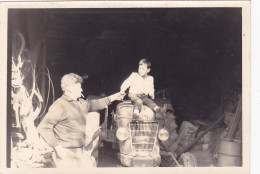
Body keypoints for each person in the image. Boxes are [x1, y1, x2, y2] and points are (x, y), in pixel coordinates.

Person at [37, 73, 123, 168]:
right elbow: (44, 127)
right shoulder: (59, 105)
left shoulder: (80, 103)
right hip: (66, 155)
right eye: (79, 87)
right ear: (70, 88)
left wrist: (114, 97)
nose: (81, 89)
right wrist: (57, 147)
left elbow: (96, 104)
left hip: (79, 154)